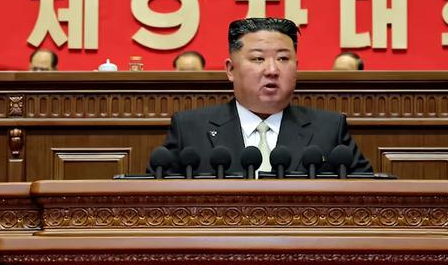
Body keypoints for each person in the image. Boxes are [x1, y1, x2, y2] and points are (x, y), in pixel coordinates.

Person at [152, 17, 372, 174]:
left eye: (283, 59)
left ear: (296, 68)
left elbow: (370, 196)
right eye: (258, 59)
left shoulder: (329, 129)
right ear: (230, 70)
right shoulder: (189, 128)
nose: (272, 70)